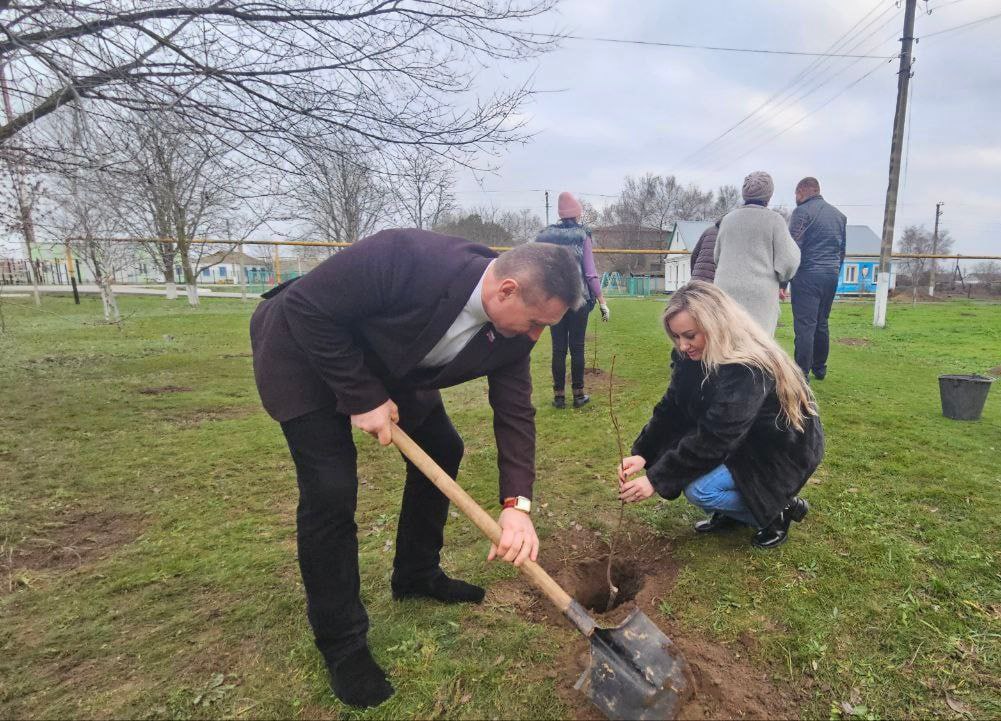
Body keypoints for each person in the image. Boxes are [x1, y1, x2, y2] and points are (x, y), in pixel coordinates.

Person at [250, 229, 583, 708]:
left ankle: (415, 574)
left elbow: (515, 413)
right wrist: (362, 397)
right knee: (330, 491)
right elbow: (305, 306)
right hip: (303, 349)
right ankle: (343, 644)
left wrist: (517, 506)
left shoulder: (515, 334)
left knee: (443, 447)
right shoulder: (407, 257)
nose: (536, 335)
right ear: (506, 290)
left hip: (392, 361)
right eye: (535, 321)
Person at [616, 281, 824, 549]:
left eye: (690, 335)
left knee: (700, 490)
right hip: (743, 435)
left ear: (714, 325)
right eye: (677, 337)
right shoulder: (690, 357)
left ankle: (777, 510)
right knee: (694, 470)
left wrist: (656, 479)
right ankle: (735, 512)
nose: (682, 346)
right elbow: (673, 407)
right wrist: (643, 452)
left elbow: (717, 436)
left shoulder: (746, 367)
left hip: (778, 447)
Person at [534, 191, 610, 409]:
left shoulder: (544, 237)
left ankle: (559, 397)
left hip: (554, 301)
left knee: (558, 348)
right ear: (577, 213)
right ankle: (578, 395)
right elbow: (590, 273)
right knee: (577, 348)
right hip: (578, 300)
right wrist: (602, 301)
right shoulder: (582, 235)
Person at [714, 171, 801, 334]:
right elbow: (789, 261)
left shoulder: (727, 220)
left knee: (727, 341)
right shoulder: (775, 221)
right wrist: (783, 279)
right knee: (758, 344)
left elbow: (717, 257)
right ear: (769, 195)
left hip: (725, 290)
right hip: (759, 293)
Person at [788, 177, 847, 382]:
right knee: (822, 323)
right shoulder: (839, 216)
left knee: (805, 326)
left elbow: (793, 248)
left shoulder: (802, 212)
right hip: (830, 275)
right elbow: (842, 251)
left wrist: (784, 281)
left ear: (802, 191)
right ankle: (820, 368)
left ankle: (801, 373)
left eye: (796, 194)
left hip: (807, 275)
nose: (795, 198)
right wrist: (834, 271)